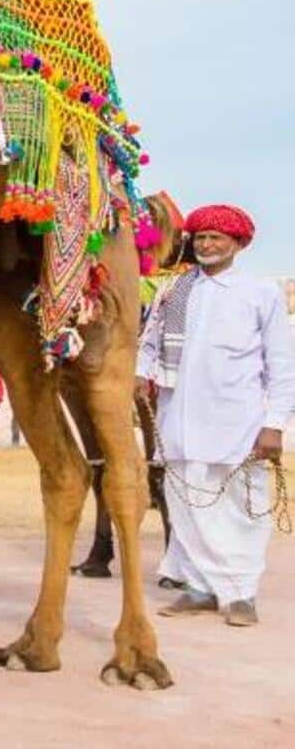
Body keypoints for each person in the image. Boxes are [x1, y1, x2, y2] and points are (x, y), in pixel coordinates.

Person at [141, 205, 294, 627]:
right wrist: (140, 374)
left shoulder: (260, 293)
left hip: (238, 423)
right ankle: (199, 589)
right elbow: (148, 344)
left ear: (238, 243)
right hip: (179, 419)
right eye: (201, 238)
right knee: (186, 503)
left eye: (216, 238)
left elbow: (282, 365)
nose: (207, 245)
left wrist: (274, 424)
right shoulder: (173, 292)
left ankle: (240, 592)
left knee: (241, 508)